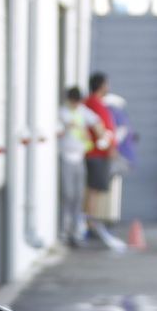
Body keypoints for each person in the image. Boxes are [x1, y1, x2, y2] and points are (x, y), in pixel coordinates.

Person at [82, 73, 124, 249]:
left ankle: (92, 222)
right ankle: (89, 224)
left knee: (97, 189)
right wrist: (109, 147)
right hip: (97, 153)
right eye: (106, 84)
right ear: (100, 85)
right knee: (94, 190)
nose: (108, 87)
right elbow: (99, 128)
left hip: (100, 153)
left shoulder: (98, 103)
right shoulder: (93, 103)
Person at [58, 86, 98, 244]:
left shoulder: (82, 111)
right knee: (67, 194)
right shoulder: (63, 112)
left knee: (78, 195)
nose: (76, 104)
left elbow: (96, 121)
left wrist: (99, 134)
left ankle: (76, 230)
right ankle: (64, 229)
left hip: (79, 157)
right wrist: (71, 126)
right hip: (66, 157)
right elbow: (62, 127)